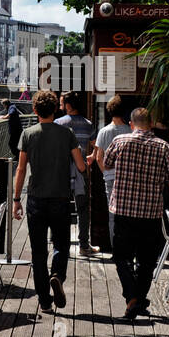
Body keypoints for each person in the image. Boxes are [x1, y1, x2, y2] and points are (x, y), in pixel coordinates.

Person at [105, 108, 169, 320]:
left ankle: (132, 298)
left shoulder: (120, 141)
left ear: (132, 124)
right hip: (150, 214)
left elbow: (106, 164)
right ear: (150, 124)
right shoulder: (163, 147)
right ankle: (138, 300)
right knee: (147, 261)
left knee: (121, 257)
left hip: (123, 211)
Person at [13, 90, 87, 312]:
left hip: (35, 199)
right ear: (56, 109)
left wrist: (17, 199)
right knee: (61, 244)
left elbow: (21, 168)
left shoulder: (28, 134)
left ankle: (44, 300)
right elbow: (81, 166)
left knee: (37, 251)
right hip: (61, 198)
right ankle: (57, 274)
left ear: (35, 110)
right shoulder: (67, 133)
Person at [55, 92, 97, 256]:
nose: (60, 107)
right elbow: (95, 144)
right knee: (83, 210)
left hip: (63, 172)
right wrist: (92, 157)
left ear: (68, 106)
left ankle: (58, 243)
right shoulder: (88, 124)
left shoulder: (59, 123)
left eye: (61, 103)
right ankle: (83, 245)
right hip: (81, 171)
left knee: (60, 208)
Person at [93, 95, 131, 250]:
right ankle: (129, 249)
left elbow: (98, 157)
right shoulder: (130, 131)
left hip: (110, 177)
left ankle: (117, 249)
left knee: (112, 215)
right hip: (128, 178)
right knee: (128, 214)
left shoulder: (103, 131)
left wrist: (105, 172)